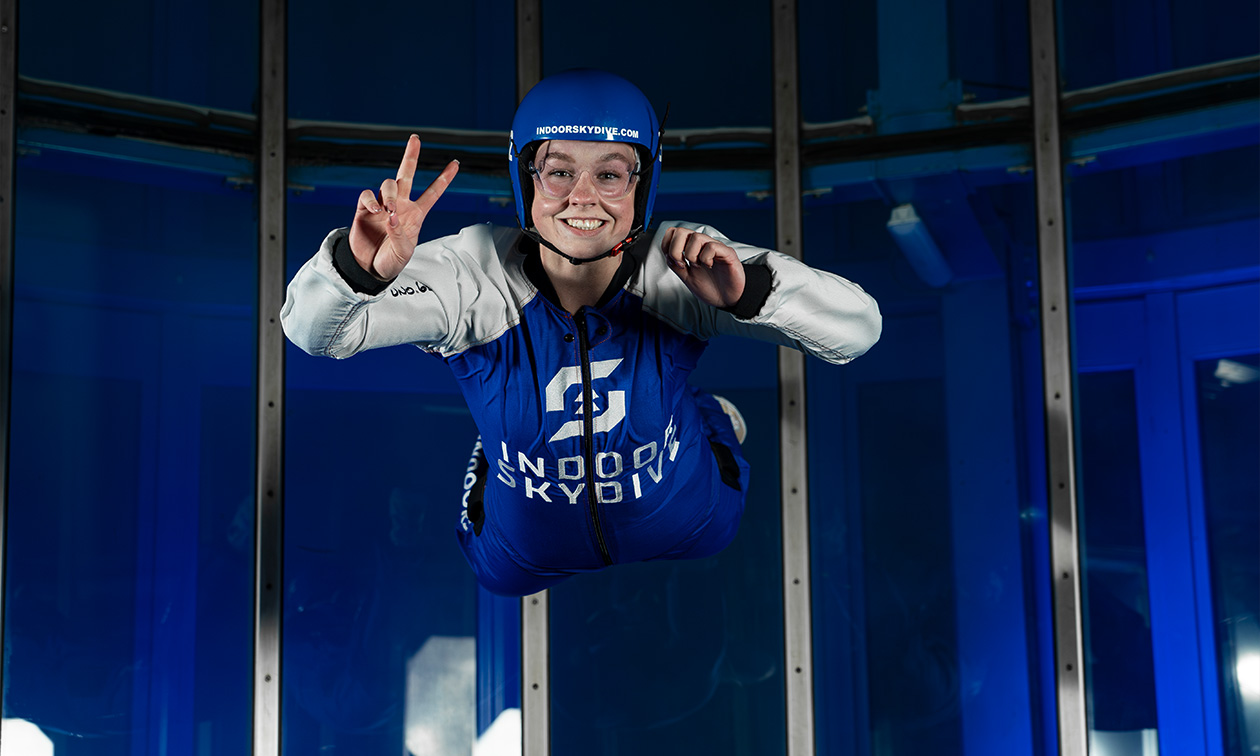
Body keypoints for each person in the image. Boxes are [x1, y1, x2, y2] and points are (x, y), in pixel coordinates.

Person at [281, 69, 881, 597]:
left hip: (688, 517)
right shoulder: (470, 277)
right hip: (520, 551)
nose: (582, 198)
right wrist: (358, 271)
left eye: (611, 175)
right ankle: (512, 441)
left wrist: (748, 294)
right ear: (524, 179)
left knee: (714, 521)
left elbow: (858, 330)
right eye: (557, 172)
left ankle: (705, 416)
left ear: (643, 183)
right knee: (496, 578)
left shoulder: (680, 263)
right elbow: (315, 333)